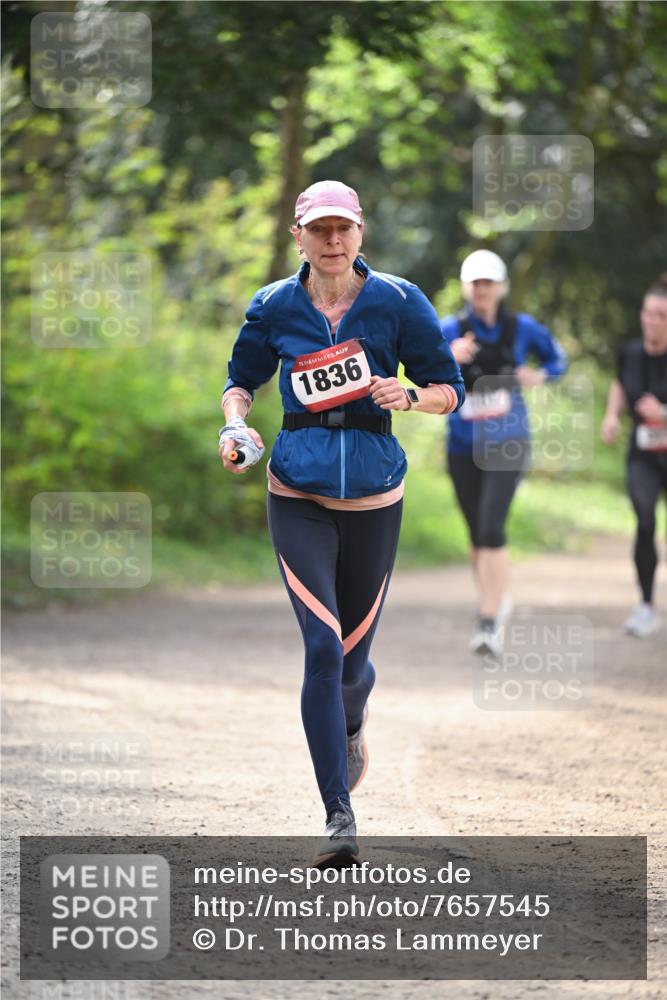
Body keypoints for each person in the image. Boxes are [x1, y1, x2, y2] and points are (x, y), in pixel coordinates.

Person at [219, 180, 464, 864]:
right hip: (296, 494)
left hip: (375, 501)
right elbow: (241, 383)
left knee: (353, 665)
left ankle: (351, 724)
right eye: (318, 229)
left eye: (342, 229)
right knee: (322, 651)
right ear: (297, 235)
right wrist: (235, 425)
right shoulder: (272, 306)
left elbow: (451, 387)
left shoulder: (398, 300)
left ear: (360, 234)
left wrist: (411, 396)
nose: (331, 241)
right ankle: (338, 817)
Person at [440, 249, 567, 657]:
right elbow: (419, 370)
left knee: (492, 527)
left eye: (488, 282)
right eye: (475, 283)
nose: (482, 290)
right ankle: (491, 602)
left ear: (501, 287)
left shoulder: (521, 328)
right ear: (466, 287)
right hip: (462, 444)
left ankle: (488, 622)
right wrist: (448, 357)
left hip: (509, 441)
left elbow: (557, 358)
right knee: (477, 533)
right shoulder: (449, 330)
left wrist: (540, 374)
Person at [601, 274, 667, 637]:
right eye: (648, 313)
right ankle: (646, 605)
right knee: (644, 520)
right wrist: (612, 415)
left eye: (661, 315)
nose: (652, 321)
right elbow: (620, 383)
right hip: (643, 453)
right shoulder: (630, 353)